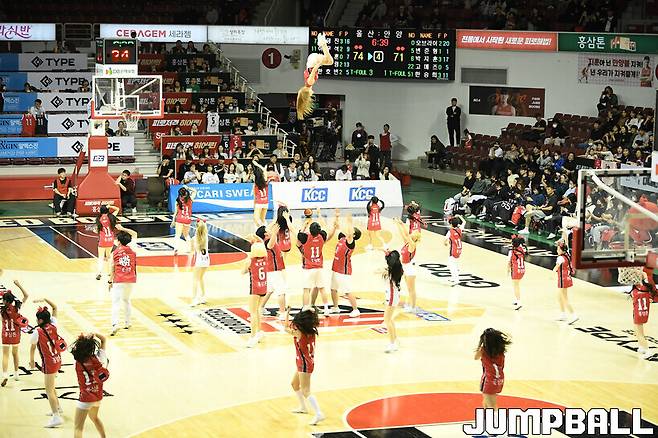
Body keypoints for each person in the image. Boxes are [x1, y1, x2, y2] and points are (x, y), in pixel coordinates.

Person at [284, 307, 324, 425]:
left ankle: (318, 413)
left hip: (304, 363)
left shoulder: (299, 333)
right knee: (294, 384)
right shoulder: (311, 330)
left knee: (306, 390)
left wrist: (287, 313)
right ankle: (303, 407)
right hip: (305, 362)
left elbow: (285, 328)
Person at [29, 299, 65, 428]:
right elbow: (55, 307)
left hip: (49, 362)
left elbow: (32, 346)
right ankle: (58, 407)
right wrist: (45, 299)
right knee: (52, 386)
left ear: (40, 320)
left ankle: (56, 417)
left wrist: (31, 360)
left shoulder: (37, 332)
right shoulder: (54, 324)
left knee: (48, 390)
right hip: (57, 359)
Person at [297, 211, 338, 315]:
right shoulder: (322, 237)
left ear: (310, 230)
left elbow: (298, 237)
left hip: (308, 267)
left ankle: (305, 307)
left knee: (306, 289)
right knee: (322, 288)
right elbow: (326, 229)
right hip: (319, 266)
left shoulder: (305, 237)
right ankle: (326, 308)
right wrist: (319, 214)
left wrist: (305, 224)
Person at [71, 333, 109, 438]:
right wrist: (94, 334)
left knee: (78, 428)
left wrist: (84, 340)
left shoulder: (78, 361)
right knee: (94, 418)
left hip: (85, 397)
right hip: (97, 395)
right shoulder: (100, 359)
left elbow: (76, 349)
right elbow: (103, 339)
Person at [258, 213, 294, 320]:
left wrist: (276, 218)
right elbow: (271, 244)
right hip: (274, 270)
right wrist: (274, 233)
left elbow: (268, 228)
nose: (269, 229)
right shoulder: (268, 242)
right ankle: (282, 313)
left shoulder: (265, 239)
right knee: (281, 291)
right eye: (267, 230)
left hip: (271, 270)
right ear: (266, 235)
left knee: (269, 290)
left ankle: (260, 308)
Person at [329, 213, 361, 317]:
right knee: (333, 289)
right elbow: (339, 227)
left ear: (353, 236)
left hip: (343, 271)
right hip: (335, 268)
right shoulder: (342, 238)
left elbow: (349, 233)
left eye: (351, 231)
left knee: (347, 291)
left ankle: (355, 309)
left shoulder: (350, 243)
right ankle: (335, 307)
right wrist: (337, 217)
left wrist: (350, 222)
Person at [297, 32, 333, 120]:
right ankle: (322, 43)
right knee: (329, 61)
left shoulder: (310, 83)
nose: (312, 94)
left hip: (313, 62)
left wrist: (319, 64)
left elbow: (313, 71)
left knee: (330, 61)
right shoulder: (307, 83)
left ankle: (322, 42)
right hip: (311, 61)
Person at [95, 205, 137, 281]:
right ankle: (109, 272)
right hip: (110, 239)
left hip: (103, 239)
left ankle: (99, 273)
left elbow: (96, 230)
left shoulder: (98, 218)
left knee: (101, 257)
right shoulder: (111, 216)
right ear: (107, 210)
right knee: (108, 256)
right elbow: (117, 209)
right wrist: (110, 206)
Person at [474, 328, 511, 409]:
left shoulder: (483, 350)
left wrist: (480, 347)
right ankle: (487, 416)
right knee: (488, 401)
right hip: (499, 379)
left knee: (491, 405)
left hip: (489, 379)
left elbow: (475, 357)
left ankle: (495, 416)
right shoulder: (500, 351)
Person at [109, 231, 137, 336]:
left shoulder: (115, 252)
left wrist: (110, 281)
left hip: (119, 279)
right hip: (131, 279)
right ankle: (128, 322)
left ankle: (115, 324)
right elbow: (134, 266)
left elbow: (112, 268)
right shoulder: (133, 252)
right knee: (126, 300)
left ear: (119, 241)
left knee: (116, 302)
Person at [1, 280, 28, 387]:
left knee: (5, 355)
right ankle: (16, 374)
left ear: (4, 301)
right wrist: (18, 285)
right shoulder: (17, 308)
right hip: (16, 334)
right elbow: (26, 295)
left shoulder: (2, 310)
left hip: (6, 335)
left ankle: (5, 375)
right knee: (15, 354)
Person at [242, 238, 268, 348]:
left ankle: (252, 337)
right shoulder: (266, 258)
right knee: (257, 310)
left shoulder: (250, 261)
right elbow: (263, 246)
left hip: (255, 288)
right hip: (264, 287)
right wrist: (257, 239)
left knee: (252, 312)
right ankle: (259, 331)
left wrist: (248, 256)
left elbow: (243, 272)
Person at [394, 218, 421, 314]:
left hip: (410, 269)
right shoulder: (407, 243)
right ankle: (410, 305)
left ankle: (413, 307)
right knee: (409, 288)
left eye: (413, 233)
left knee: (411, 289)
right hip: (405, 268)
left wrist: (402, 224)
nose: (411, 233)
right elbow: (403, 234)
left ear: (414, 237)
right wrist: (398, 224)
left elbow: (406, 235)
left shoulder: (412, 245)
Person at [381, 249, 404, 353]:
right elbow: (389, 259)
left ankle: (392, 344)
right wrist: (386, 252)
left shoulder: (389, 272)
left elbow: (383, 268)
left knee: (387, 320)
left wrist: (386, 254)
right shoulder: (398, 267)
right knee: (389, 319)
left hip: (391, 297)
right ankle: (394, 339)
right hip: (394, 296)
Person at [631, 273, 656, 359]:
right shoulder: (644, 288)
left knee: (639, 333)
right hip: (641, 311)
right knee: (636, 330)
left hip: (639, 312)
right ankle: (641, 346)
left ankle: (648, 351)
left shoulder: (639, 289)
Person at [554, 241, 578, 324]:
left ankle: (574, 315)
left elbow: (556, 267)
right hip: (567, 278)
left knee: (565, 298)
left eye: (558, 249)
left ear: (562, 250)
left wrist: (551, 274)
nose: (557, 250)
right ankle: (563, 314)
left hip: (563, 279)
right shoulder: (567, 254)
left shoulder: (560, 258)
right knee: (559, 296)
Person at [170, 186, 197, 256]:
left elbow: (175, 212)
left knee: (177, 235)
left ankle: (176, 248)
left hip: (179, 219)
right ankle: (190, 249)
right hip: (187, 219)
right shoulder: (190, 199)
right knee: (186, 235)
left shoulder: (177, 200)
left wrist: (173, 221)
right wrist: (188, 187)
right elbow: (195, 191)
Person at [191, 219, 210, 307]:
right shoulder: (206, 237)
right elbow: (203, 228)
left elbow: (192, 251)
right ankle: (203, 296)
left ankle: (194, 299)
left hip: (199, 260)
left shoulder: (193, 239)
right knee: (201, 278)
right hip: (206, 260)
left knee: (195, 279)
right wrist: (202, 223)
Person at [444, 216, 464, 286]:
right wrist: (459, 216)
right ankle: (454, 278)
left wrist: (446, 243)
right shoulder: (460, 229)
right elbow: (464, 222)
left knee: (452, 266)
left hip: (453, 250)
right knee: (455, 264)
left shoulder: (450, 232)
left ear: (451, 224)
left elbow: (445, 241)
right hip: (459, 249)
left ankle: (456, 280)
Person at [508, 235, 526, 310]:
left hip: (516, 270)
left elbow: (509, 263)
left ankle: (519, 302)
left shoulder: (511, 252)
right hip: (522, 269)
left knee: (516, 286)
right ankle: (516, 299)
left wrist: (508, 270)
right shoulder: (522, 249)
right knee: (516, 284)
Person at [251, 160, 269, 227]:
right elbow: (264, 170)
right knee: (263, 219)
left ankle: (262, 230)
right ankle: (265, 229)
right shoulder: (265, 182)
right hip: (266, 202)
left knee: (256, 219)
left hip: (259, 203)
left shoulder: (255, 184)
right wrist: (257, 164)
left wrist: (254, 205)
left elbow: (254, 196)